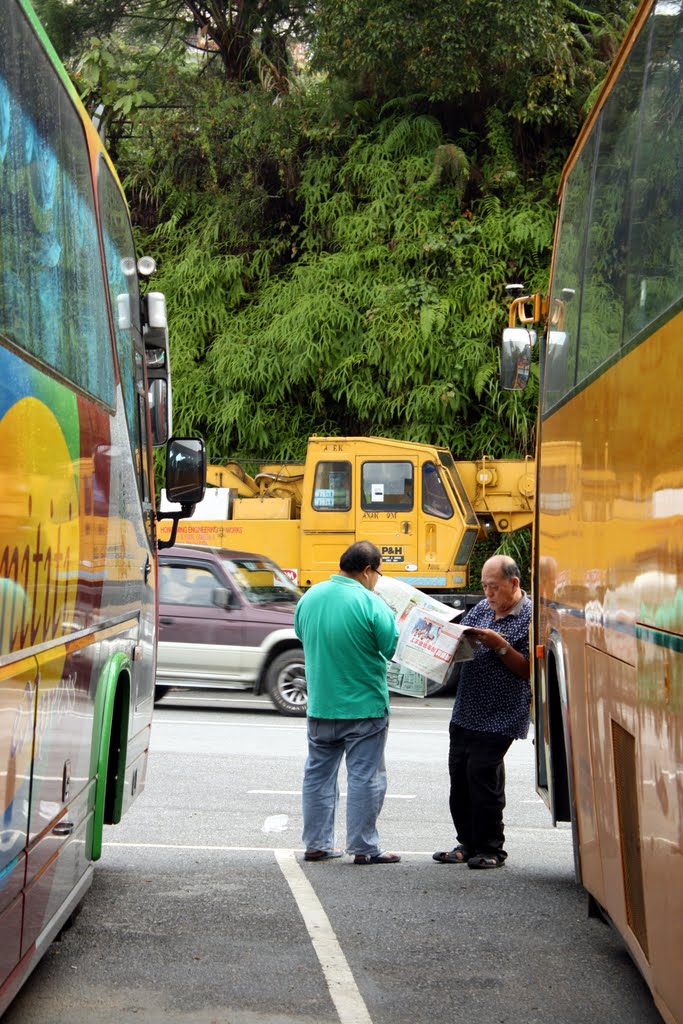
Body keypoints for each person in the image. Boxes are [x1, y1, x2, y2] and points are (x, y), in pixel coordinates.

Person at [294, 540, 401, 865]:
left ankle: (317, 844)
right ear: (368, 570)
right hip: (364, 708)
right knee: (365, 778)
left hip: (321, 706)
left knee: (318, 775)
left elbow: (301, 634)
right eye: (377, 573)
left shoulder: (310, 597)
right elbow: (390, 646)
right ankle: (364, 847)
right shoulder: (371, 603)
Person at [433, 555, 531, 869]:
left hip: (502, 712)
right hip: (467, 708)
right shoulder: (481, 609)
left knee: (482, 776)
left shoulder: (530, 617)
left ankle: (491, 848)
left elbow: (529, 670)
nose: (488, 594)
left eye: (494, 587)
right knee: (460, 776)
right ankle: (467, 842)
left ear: (513, 584)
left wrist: (500, 645)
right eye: (485, 587)